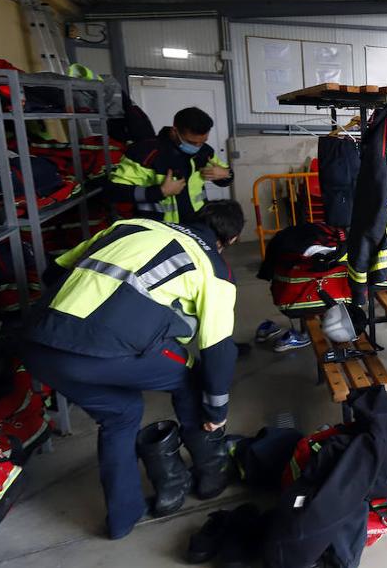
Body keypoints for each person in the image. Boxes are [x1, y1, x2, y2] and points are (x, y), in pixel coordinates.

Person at [20, 201, 245, 539]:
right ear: (232, 239)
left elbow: (53, 273)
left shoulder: (129, 226)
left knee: (122, 413)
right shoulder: (213, 268)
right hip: (100, 348)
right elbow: (218, 348)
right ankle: (210, 471)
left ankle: (125, 515)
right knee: (190, 377)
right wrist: (216, 409)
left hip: (39, 343)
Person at [108, 106, 232, 223]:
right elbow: (115, 191)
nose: (198, 147)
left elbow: (225, 179)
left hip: (198, 222)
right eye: (191, 142)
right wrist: (160, 191)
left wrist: (226, 174)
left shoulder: (205, 152)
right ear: (174, 131)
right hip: (159, 227)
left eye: (202, 142)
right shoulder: (146, 152)